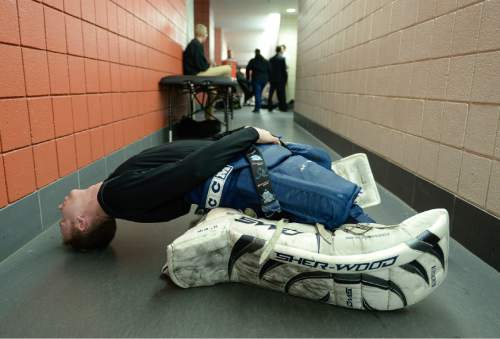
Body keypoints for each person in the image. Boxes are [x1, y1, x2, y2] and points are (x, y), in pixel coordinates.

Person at [59, 127, 279, 250]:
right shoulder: (116, 196)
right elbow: (190, 171)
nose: (60, 206)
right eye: (63, 222)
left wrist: (235, 135)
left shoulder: (114, 189)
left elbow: (185, 155)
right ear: (81, 223)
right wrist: (249, 134)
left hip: (245, 157)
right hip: (254, 165)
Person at [183, 24, 231, 118]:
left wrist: (210, 66)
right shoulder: (196, 44)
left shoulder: (193, 44)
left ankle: (209, 117)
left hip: (195, 73)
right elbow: (202, 66)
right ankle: (223, 91)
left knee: (212, 92)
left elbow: (199, 63)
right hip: (197, 75)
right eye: (206, 34)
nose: (206, 37)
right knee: (228, 68)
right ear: (204, 34)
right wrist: (210, 65)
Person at [246, 49, 271, 113]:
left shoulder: (253, 61)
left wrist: (247, 78)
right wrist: (269, 79)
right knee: (259, 93)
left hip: (256, 79)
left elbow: (247, 69)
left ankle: (257, 108)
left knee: (257, 93)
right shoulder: (266, 61)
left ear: (255, 53)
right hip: (264, 80)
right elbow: (270, 70)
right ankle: (258, 106)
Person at [269, 46, 288, 112]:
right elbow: (284, 70)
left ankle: (270, 107)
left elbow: (269, 70)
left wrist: (269, 78)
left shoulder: (271, 59)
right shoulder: (282, 59)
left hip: (273, 79)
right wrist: (286, 80)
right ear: (280, 51)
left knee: (271, 93)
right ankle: (283, 108)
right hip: (280, 79)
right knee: (281, 94)